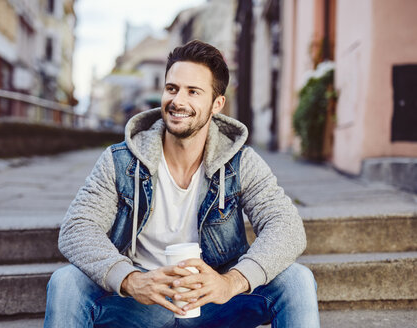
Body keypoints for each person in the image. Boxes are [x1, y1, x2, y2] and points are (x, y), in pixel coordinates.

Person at [44, 40, 319, 328]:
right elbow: (77, 227)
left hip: (214, 302)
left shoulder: (241, 163)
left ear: (217, 104)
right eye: (172, 88)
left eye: (193, 92)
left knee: (297, 280)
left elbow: (287, 227)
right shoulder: (120, 161)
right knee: (66, 282)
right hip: (142, 304)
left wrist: (231, 282)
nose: (178, 101)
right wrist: (131, 280)